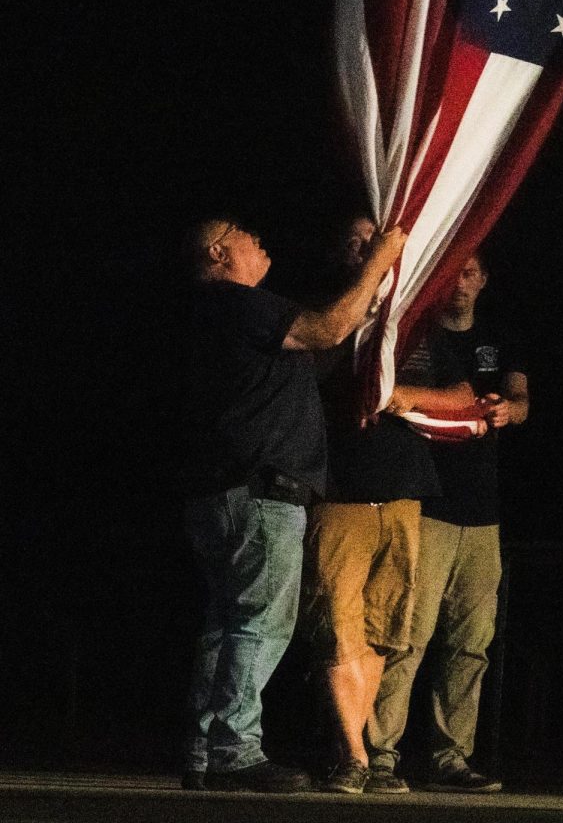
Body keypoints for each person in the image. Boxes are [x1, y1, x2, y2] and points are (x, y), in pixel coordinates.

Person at [179, 215, 406, 792]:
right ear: (218, 251)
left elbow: (325, 342)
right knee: (259, 624)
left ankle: (206, 751)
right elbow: (327, 330)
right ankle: (235, 751)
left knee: (226, 626)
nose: (261, 239)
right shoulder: (236, 303)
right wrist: (380, 261)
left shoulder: (213, 317)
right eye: (244, 234)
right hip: (259, 493)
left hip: (222, 493)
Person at [301, 220, 481, 796]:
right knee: (337, 626)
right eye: (356, 240)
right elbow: (319, 373)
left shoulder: (414, 324)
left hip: (402, 490)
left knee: (382, 630)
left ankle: (361, 753)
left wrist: (400, 396)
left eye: (375, 238)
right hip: (341, 491)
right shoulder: (325, 313)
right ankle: (352, 753)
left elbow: (463, 398)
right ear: (339, 251)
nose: (368, 247)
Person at [367, 251, 528, 793]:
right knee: (408, 635)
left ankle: (450, 757)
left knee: (471, 641)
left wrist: (509, 410)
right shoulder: (416, 335)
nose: (459, 282)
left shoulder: (499, 336)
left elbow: (520, 395)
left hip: (483, 514)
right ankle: (378, 753)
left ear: (483, 279)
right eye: (452, 272)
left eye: (470, 272)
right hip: (428, 505)